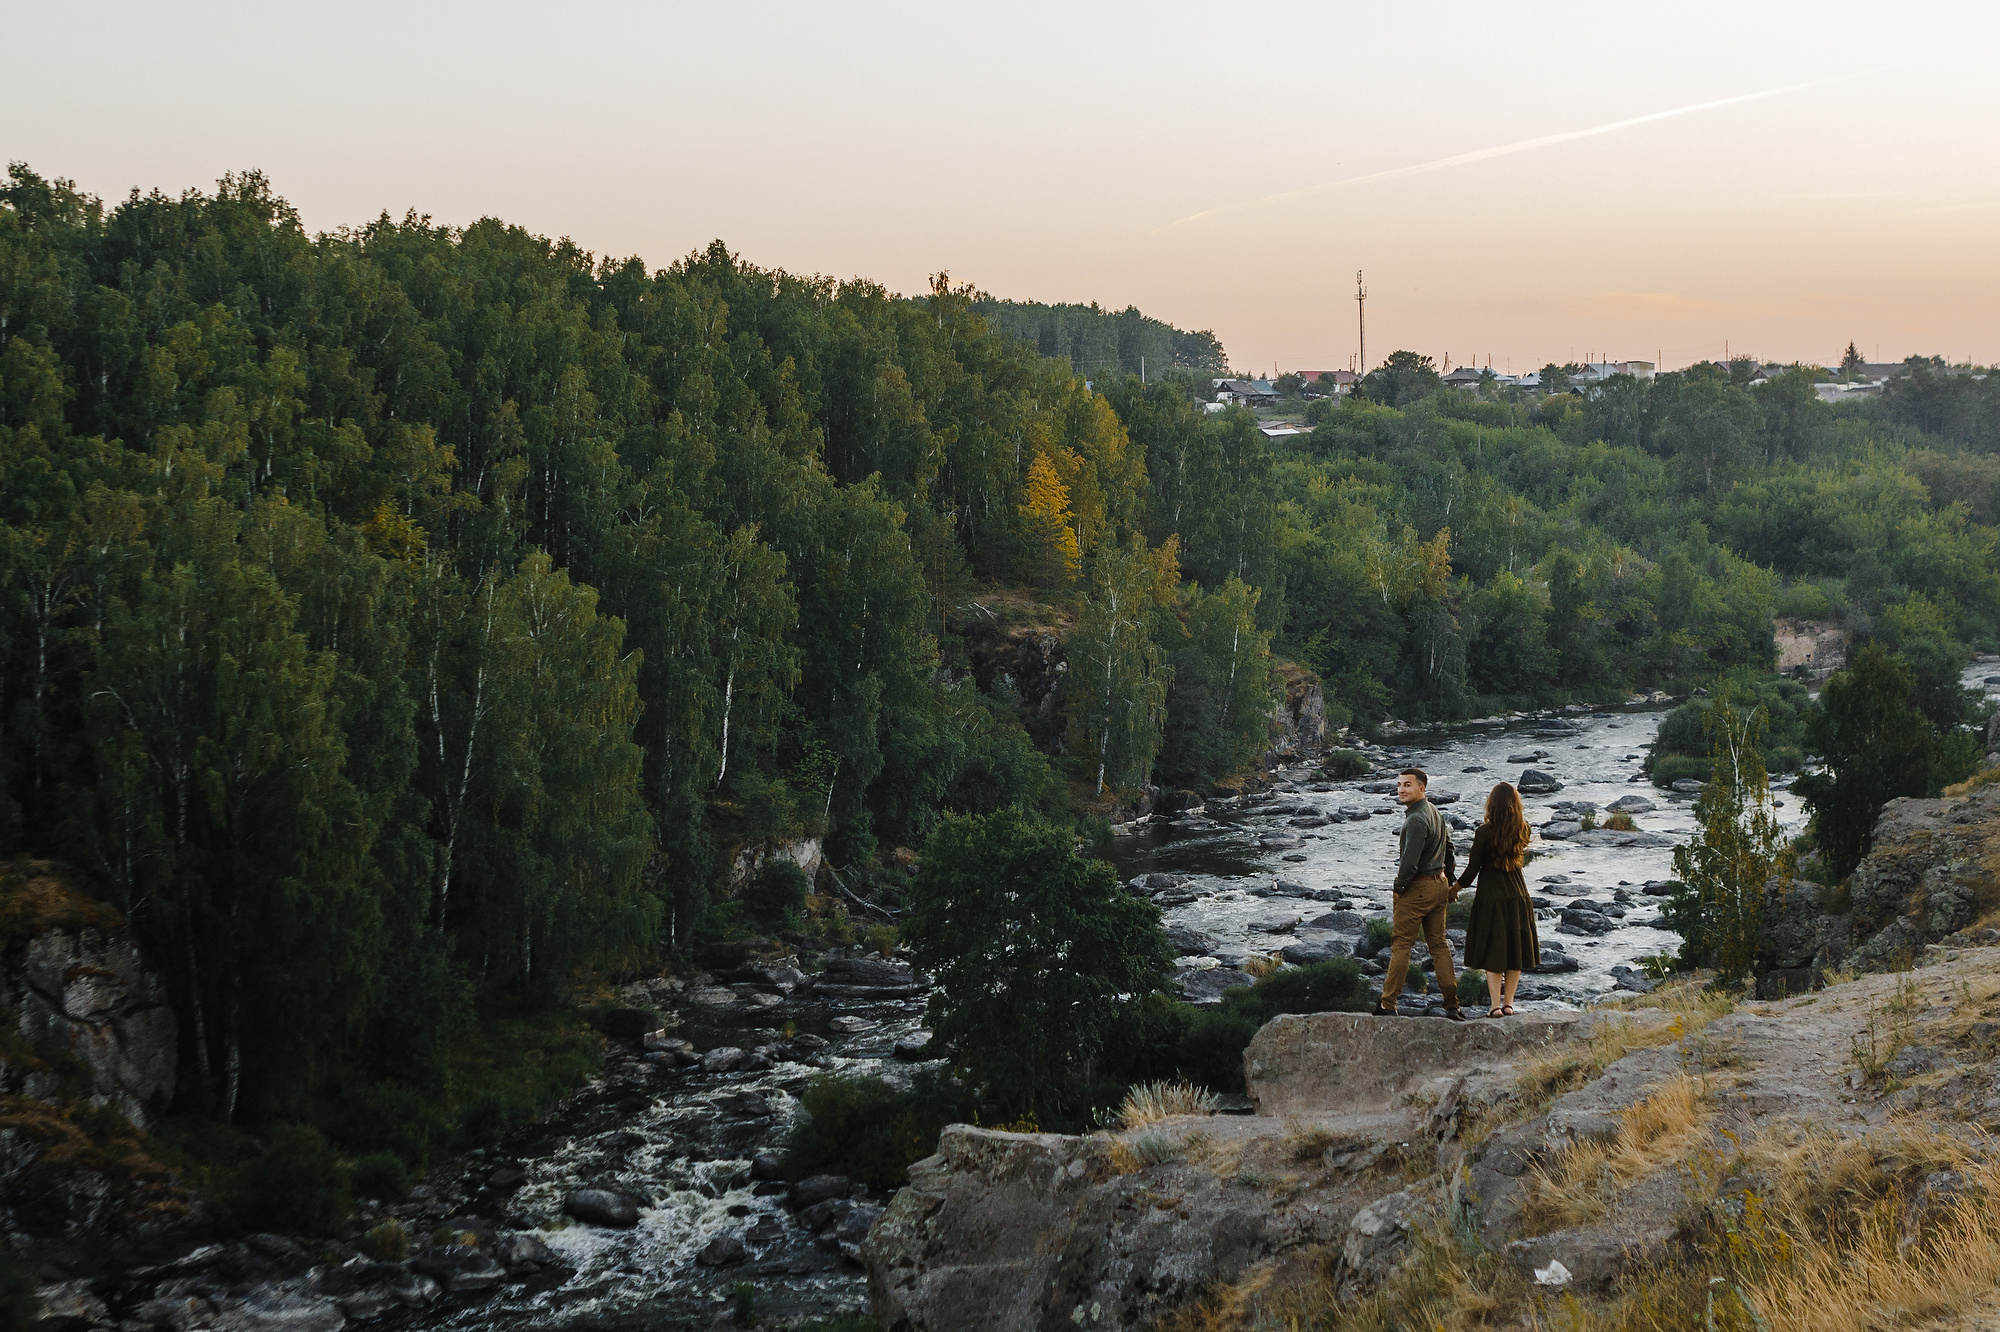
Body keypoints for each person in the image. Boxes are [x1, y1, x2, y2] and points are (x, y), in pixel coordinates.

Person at [1372, 767, 1466, 1020]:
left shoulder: (1415, 819)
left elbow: (1409, 862)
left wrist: (1398, 889)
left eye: (1408, 785)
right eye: (1400, 784)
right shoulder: (1435, 812)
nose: (1401, 789)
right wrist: (1450, 880)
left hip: (1418, 887)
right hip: (1439, 885)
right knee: (1439, 945)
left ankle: (1388, 1004)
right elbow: (1450, 849)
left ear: (1422, 788)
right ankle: (1452, 1005)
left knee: (1402, 944)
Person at [1456, 782, 1538, 1017]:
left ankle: (1494, 1006)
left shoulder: (1484, 832)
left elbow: (1473, 869)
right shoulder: (1524, 828)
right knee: (1515, 952)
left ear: (1492, 804)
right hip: (1518, 895)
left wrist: (1453, 890)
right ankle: (1509, 1003)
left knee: (1494, 951)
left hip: (1490, 897)